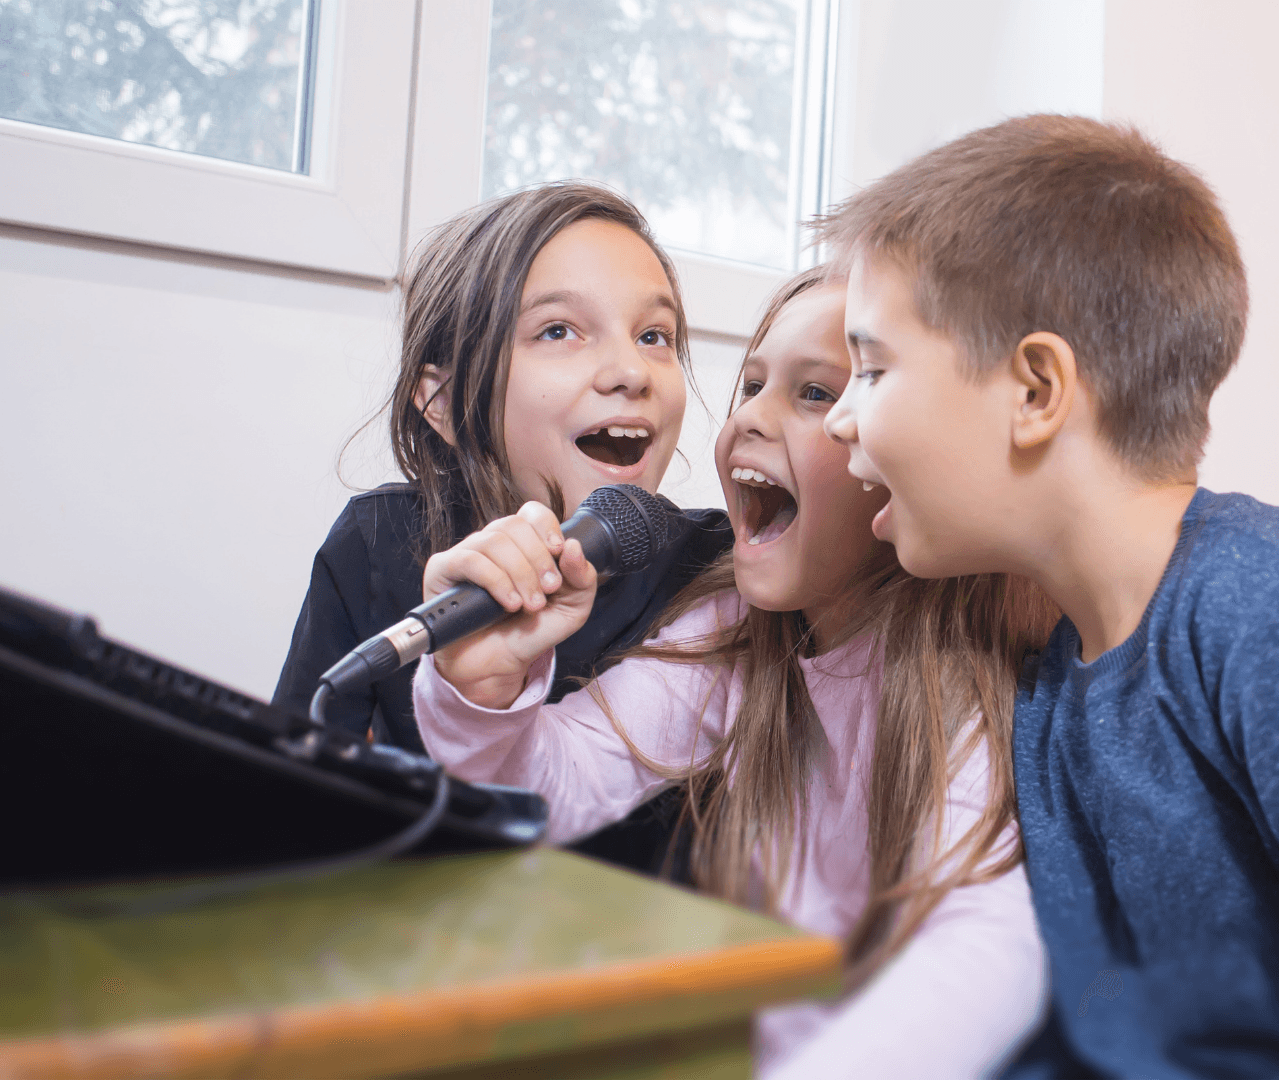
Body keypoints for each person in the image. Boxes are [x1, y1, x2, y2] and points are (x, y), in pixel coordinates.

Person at [411, 267, 1059, 1077]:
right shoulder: (736, 632)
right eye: (749, 384)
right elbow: (552, 787)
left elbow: (986, 952)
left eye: (815, 394)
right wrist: (483, 687)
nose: (748, 416)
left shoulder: (958, 676)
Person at [820, 114, 1277, 1078]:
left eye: (871, 368)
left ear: (1034, 390)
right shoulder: (1049, 686)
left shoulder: (1250, 609)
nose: (841, 420)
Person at [273, 182, 730, 754]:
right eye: (558, 330)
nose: (631, 371)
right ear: (443, 401)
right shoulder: (377, 540)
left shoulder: (722, 572)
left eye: (653, 335)